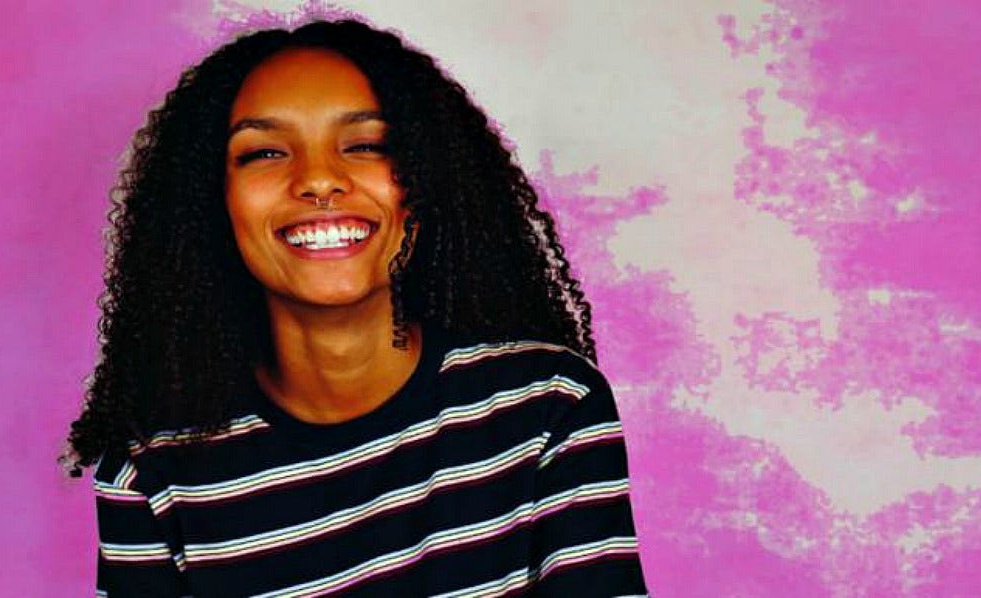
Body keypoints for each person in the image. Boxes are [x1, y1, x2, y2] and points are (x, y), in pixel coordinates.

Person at [65, 19, 648, 597]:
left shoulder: (549, 409)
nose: (319, 179)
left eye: (366, 145)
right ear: (210, 205)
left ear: (423, 183)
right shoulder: (153, 472)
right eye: (265, 152)